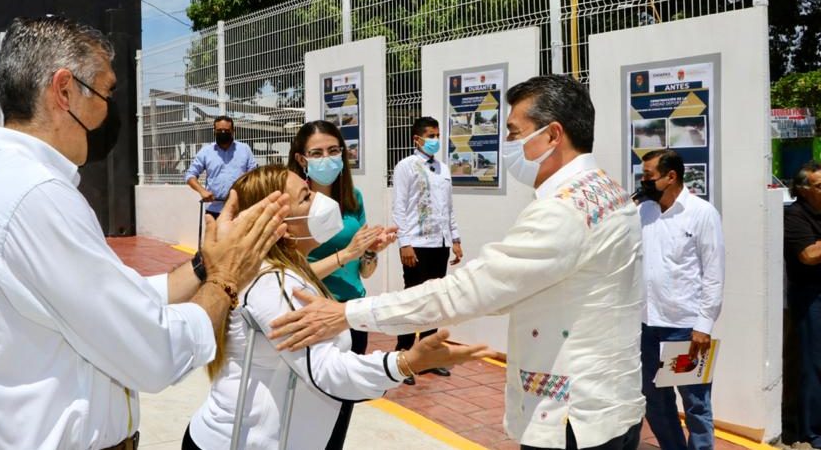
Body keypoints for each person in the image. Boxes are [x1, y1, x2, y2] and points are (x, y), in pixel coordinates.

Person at [0, 16, 288, 450]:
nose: (111, 109)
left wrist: (203, 265)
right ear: (64, 90)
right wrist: (225, 280)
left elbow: (115, 297)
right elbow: (154, 352)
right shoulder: (35, 197)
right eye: (106, 91)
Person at [270, 75, 646, 450]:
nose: (508, 145)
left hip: (572, 420)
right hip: (610, 407)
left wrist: (346, 313)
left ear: (551, 135)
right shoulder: (608, 192)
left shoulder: (564, 210)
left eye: (516, 133)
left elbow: (469, 292)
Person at [183, 165, 490, 450]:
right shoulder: (273, 281)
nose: (319, 198)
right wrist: (405, 362)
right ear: (282, 228)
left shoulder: (287, 269)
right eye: (306, 197)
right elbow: (324, 369)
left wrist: (358, 253)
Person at [286, 120, 397, 447]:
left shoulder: (353, 198)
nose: (327, 159)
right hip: (312, 315)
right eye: (317, 153)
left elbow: (363, 272)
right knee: (305, 411)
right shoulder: (294, 204)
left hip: (352, 314)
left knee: (341, 410)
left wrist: (370, 253)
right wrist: (348, 252)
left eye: (334, 151)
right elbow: (289, 271)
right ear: (302, 159)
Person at [638, 149, 725, 450]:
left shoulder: (702, 213)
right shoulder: (643, 212)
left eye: (648, 176)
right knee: (655, 401)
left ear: (670, 176)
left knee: (695, 405)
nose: (643, 181)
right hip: (648, 326)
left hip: (685, 329)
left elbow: (713, 273)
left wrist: (704, 324)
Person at [390, 116, 463, 381]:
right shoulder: (405, 167)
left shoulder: (443, 169)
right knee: (413, 299)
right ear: (417, 139)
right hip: (417, 244)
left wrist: (455, 239)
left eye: (437, 135)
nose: (435, 140)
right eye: (430, 135)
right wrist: (404, 243)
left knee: (435, 300)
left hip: (439, 244)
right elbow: (399, 207)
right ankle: (404, 354)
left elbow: (448, 207)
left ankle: (428, 356)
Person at [784, 161, 821, 448]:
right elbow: (809, 255)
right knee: (813, 364)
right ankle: (811, 432)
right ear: (803, 190)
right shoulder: (795, 215)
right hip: (811, 297)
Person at [185, 116, 258, 217]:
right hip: (214, 209)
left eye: (226, 130)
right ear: (214, 131)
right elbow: (190, 175)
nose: (223, 133)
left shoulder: (244, 149)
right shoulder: (206, 152)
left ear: (233, 131)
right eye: (219, 130)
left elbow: (254, 174)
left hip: (239, 208)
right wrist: (202, 191)